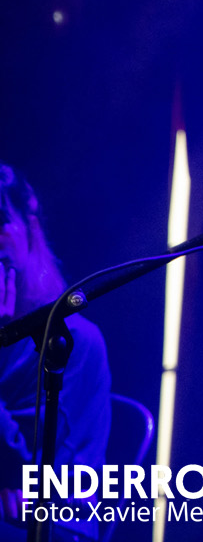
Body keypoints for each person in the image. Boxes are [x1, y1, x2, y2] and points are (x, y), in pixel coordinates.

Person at [0, 164, 111, 542]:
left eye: (0, 220)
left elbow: (28, 471)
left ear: (30, 228)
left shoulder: (71, 340)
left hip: (56, 525)